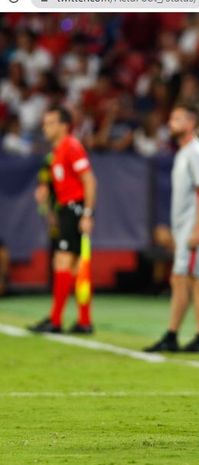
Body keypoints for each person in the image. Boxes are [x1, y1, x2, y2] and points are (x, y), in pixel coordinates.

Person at [144, 104, 199, 353]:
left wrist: (198, 229)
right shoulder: (184, 152)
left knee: (193, 280)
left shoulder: (197, 152)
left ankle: (198, 337)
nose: (170, 123)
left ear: (191, 123)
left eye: (176, 118)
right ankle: (176, 334)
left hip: (196, 228)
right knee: (182, 279)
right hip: (186, 228)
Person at [29, 107, 96, 334]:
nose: (45, 127)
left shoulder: (71, 146)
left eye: (50, 123)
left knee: (63, 261)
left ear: (63, 126)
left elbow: (89, 181)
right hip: (65, 210)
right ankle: (84, 321)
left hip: (75, 209)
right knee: (75, 266)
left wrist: (87, 214)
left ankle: (56, 320)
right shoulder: (55, 153)